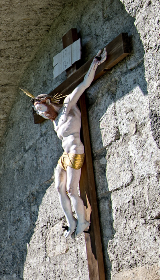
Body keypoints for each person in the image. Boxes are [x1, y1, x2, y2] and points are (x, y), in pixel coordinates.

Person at [23, 48, 107, 237]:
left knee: (71, 188)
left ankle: (83, 221)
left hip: (76, 151)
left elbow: (84, 84)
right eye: (38, 112)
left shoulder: (68, 106)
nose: (42, 114)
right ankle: (71, 222)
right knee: (59, 188)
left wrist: (95, 64)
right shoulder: (54, 122)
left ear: (49, 102)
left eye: (42, 108)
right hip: (65, 155)